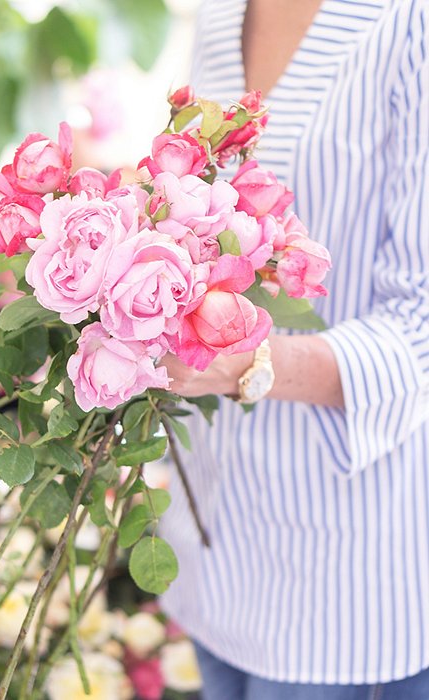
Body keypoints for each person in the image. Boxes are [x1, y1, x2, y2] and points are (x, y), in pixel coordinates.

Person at [159, 0, 429, 698]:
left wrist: (248, 361)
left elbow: (421, 324)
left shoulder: (409, 23)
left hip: (349, 588)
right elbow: (193, 203)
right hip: (216, 551)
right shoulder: (221, 13)